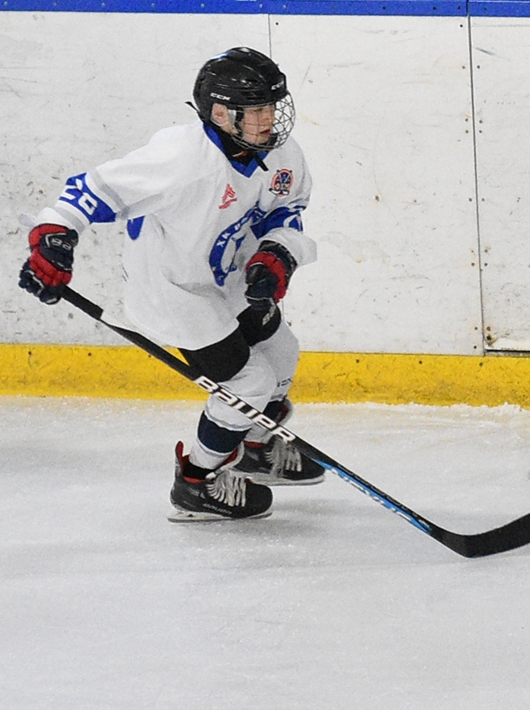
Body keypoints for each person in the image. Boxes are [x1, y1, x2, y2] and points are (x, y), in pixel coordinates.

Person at [17, 47, 322, 522]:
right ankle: (197, 482)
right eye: (256, 110)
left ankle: (256, 450)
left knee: (282, 352)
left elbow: (288, 212)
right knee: (249, 382)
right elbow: (90, 191)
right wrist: (52, 239)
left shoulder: (281, 153)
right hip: (173, 293)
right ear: (220, 113)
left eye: (272, 106)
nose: (270, 120)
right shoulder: (180, 157)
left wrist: (277, 253)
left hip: (230, 277)